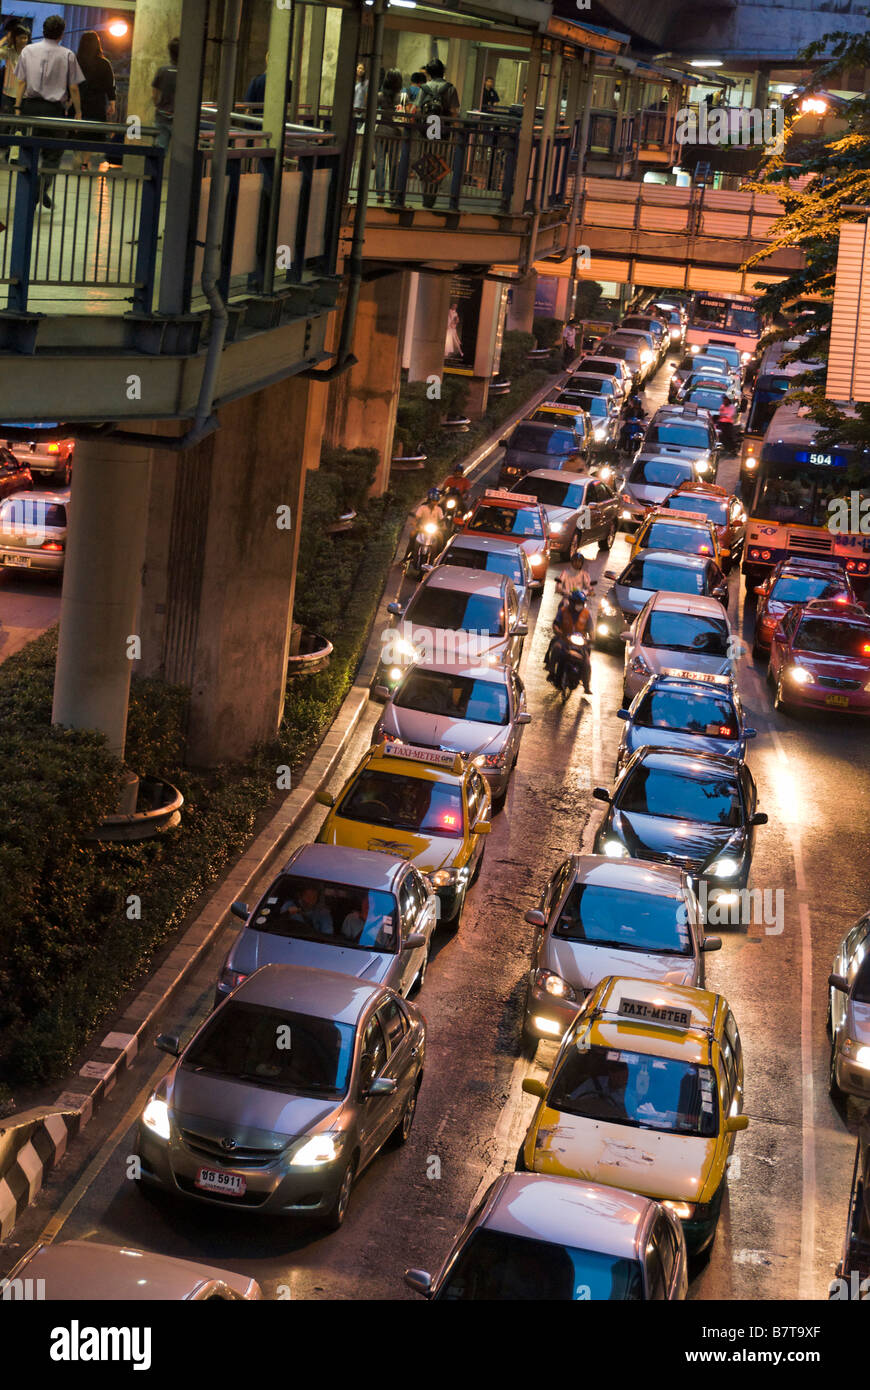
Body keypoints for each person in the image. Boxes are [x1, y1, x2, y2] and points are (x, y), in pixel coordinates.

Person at [14, 15, 83, 209]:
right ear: (61, 34)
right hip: (54, 111)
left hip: (30, 109)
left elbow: (21, 81)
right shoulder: (68, 54)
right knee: (53, 156)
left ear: (43, 30)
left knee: (29, 153)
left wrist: (18, 107)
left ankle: (34, 190)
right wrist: (78, 112)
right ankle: (39, 190)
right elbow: (74, 88)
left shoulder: (28, 50)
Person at [418, 57, 460, 208]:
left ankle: (426, 195)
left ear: (429, 73)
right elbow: (454, 113)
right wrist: (455, 133)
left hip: (425, 132)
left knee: (425, 161)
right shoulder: (450, 89)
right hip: (443, 132)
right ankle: (433, 193)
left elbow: (416, 110)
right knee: (440, 162)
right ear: (443, 72)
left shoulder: (424, 88)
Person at [75, 31, 116, 171]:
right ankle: (84, 162)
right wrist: (112, 103)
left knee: (77, 130)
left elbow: (69, 83)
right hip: (97, 103)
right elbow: (110, 85)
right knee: (91, 133)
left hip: (78, 101)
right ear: (97, 44)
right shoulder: (104, 63)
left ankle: (78, 157)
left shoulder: (75, 61)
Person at [546, 588, 592, 693]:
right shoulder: (563, 611)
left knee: (587, 663)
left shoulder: (586, 614)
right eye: (577, 603)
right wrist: (558, 632)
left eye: (581, 603)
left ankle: (586, 685)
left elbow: (591, 630)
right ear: (571, 602)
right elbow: (556, 624)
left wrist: (591, 639)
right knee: (556, 648)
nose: (579, 605)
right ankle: (551, 672)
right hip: (564, 639)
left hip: (580, 643)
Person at [374, 67, 403, 203]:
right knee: (394, 164)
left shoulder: (380, 96)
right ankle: (392, 193)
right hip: (396, 133)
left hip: (380, 132)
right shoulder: (402, 97)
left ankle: (380, 194)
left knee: (380, 163)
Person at [0, 24, 27, 165]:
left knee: (18, 127)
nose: (24, 40)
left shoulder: (29, 53)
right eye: (22, 37)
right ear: (15, 38)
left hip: (23, 96)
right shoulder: (9, 52)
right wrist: (5, 38)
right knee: (4, 126)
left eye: (26, 37)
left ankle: (13, 154)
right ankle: (5, 152)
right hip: (8, 94)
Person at [151, 36, 179, 154]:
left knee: (159, 152)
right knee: (182, 154)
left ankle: (155, 172)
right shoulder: (188, 72)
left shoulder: (163, 71)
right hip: (180, 119)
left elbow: (155, 96)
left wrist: (160, 104)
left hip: (162, 116)